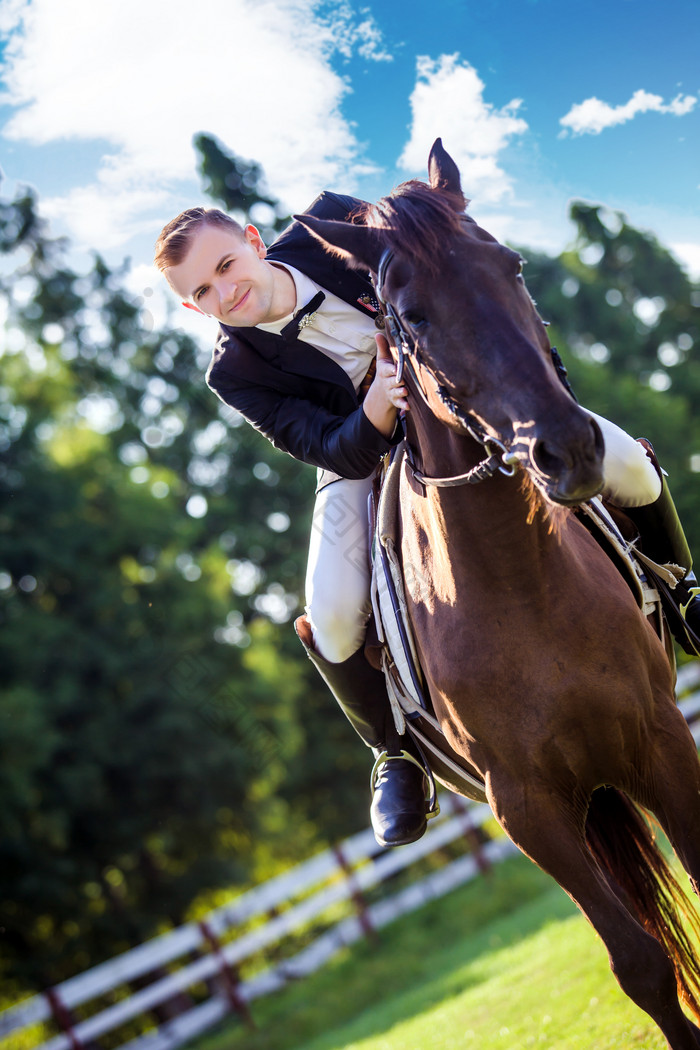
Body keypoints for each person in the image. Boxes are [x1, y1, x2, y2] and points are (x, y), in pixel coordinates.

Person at [154, 191, 700, 848]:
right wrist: (380, 406)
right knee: (329, 610)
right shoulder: (233, 371)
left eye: (224, 264)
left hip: (472, 398)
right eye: (203, 291)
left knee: (631, 466)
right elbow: (326, 446)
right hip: (365, 458)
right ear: (192, 307)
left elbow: (443, 259)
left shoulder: (333, 222)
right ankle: (396, 754)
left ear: (252, 239)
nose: (224, 291)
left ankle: (679, 588)